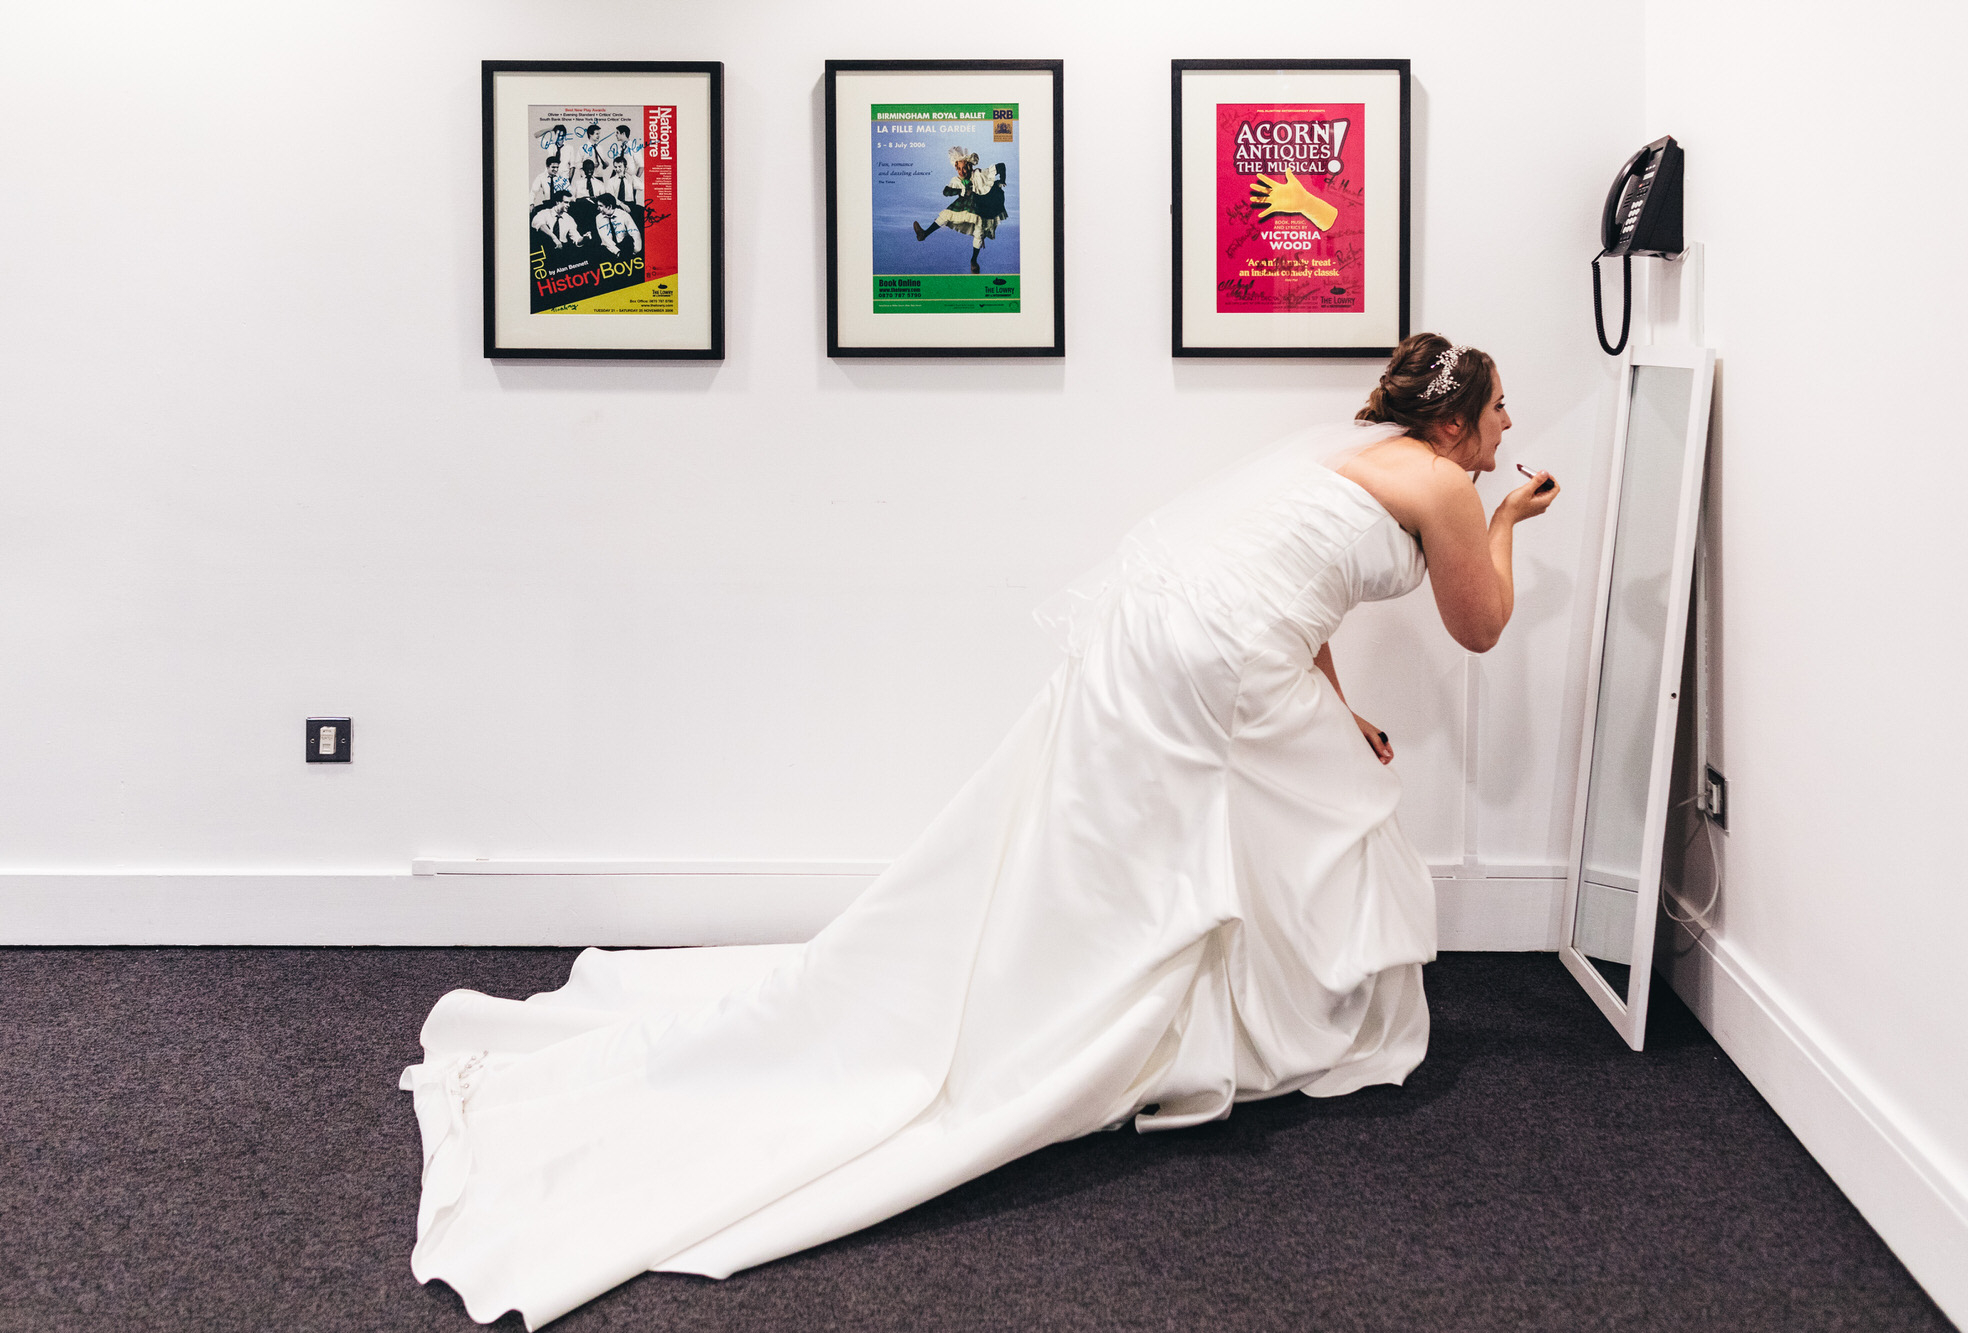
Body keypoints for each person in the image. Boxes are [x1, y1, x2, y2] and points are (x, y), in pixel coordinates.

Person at [400, 333, 1558, 1329]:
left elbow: (1288, 589)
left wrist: (1339, 707)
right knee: (1326, 813)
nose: (1508, 423)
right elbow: (1480, 626)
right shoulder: (1451, 486)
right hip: (1218, 652)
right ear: (1457, 423)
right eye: (1499, 408)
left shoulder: (1355, 456)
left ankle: (1221, 1020)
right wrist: (1509, 518)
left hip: (1186, 633)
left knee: (1270, 811)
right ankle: (1234, 1026)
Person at [912, 148, 1008, 274]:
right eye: (958, 169)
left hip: (980, 207)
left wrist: (1002, 181)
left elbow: (1001, 166)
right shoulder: (956, 180)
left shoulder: (979, 174)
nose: (961, 172)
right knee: (946, 214)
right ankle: (924, 234)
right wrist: (960, 191)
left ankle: (973, 261)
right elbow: (946, 191)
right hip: (964, 206)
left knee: (979, 233)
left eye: (964, 168)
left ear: (969, 166)